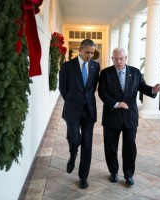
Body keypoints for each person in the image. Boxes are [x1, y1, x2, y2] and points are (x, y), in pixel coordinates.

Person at [98, 47, 160, 186]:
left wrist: (153, 90)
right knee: (110, 147)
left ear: (126, 58)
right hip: (111, 117)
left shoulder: (135, 72)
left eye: (121, 58)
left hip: (130, 118)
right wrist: (116, 104)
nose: (119, 61)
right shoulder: (105, 73)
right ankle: (113, 172)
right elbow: (102, 92)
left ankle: (129, 175)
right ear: (112, 59)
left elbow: (143, 87)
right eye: (116, 59)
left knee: (130, 148)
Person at [59, 39, 100, 189]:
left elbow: (92, 87)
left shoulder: (96, 66)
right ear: (80, 50)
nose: (90, 55)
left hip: (89, 110)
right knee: (75, 139)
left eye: (92, 52)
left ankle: (83, 176)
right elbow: (63, 89)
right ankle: (73, 154)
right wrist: (73, 101)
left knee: (87, 144)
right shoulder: (67, 67)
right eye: (87, 52)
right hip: (72, 110)